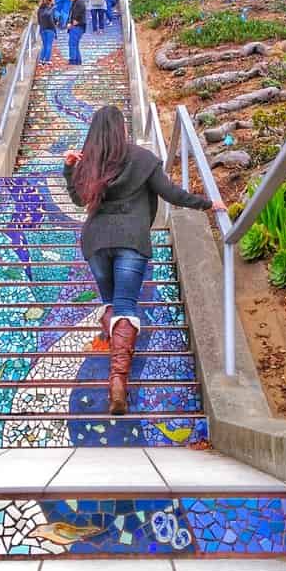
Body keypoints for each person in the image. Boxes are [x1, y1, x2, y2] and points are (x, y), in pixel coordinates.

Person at [64, 106, 227, 415]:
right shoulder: (143, 159)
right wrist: (207, 203)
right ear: (121, 128)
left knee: (111, 304)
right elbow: (171, 193)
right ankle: (118, 381)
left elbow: (77, 199)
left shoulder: (90, 163)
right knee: (125, 306)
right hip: (131, 241)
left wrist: (69, 169)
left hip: (96, 242)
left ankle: (115, 345)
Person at [67, 0, 88, 66]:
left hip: (77, 26)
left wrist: (75, 21)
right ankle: (78, 61)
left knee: (72, 43)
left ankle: (73, 60)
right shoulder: (74, 3)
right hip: (77, 26)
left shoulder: (79, 2)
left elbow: (80, 12)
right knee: (74, 44)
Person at [36, 0, 57, 64]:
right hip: (50, 28)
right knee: (49, 45)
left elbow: (38, 20)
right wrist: (55, 29)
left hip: (42, 28)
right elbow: (52, 20)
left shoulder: (40, 9)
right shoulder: (52, 8)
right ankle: (47, 60)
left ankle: (41, 59)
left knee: (44, 44)